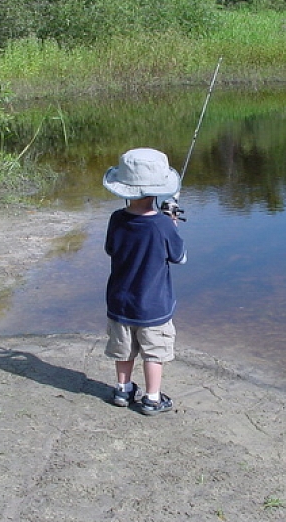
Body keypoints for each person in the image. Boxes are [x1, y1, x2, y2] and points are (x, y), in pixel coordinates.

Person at [102, 147, 187, 415]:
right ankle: (152, 397)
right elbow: (180, 256)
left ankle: (123, 389)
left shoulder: (116, 219)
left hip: (119, 302)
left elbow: (110, 249)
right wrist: (171, 224)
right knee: (154, 352)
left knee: (124, 349)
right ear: (158, 189)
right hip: (153, 307)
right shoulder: (162, 225)